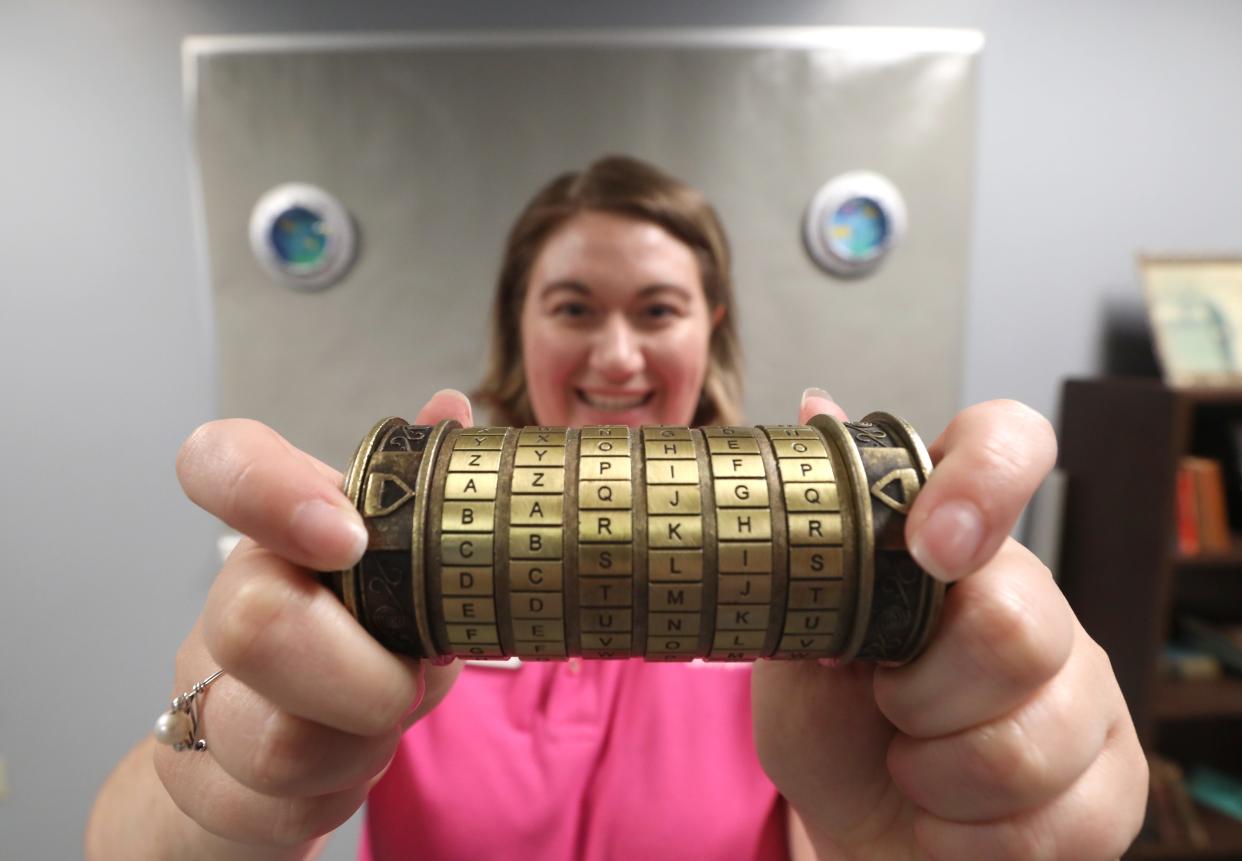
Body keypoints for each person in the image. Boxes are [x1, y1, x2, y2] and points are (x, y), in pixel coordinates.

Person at [87, 156, 1148, 860]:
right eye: (573, 309)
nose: (618, 355)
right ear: (520, 322)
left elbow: (852, 830)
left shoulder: (818, 597)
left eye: (658, 310)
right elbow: (121, 843)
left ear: (710, 325)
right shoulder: (379, 558)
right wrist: (216, 776)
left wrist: (951, 806)